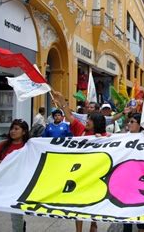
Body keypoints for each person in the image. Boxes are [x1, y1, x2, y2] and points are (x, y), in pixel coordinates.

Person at [51, 91, 107, 232]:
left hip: (96, 175)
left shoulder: (106, 136)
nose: (86, 121)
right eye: (87, 118)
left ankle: (93, 224)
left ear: (97, 123)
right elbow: (69, 116)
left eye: (90, 120)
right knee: (78, 204)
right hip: (79, 174)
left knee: (94, 203)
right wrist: (62, 101)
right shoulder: (80, 130)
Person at [0, 119, 30, 232]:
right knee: (15, 213)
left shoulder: (29, 146)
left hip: (22, 183)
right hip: (7, 183)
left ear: (24, 132)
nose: (13, 131)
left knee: (16, 212)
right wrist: (6, 163)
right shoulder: (3, 145)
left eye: (16, 129)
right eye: (12, 128)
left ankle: (19, 227)